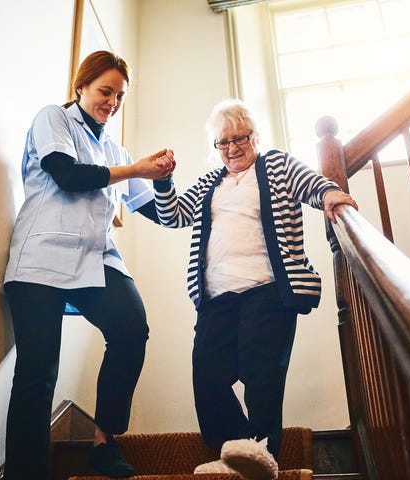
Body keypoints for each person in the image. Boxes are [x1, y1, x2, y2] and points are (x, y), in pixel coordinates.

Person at [152, 98, 358, 480]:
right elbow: (172, 215)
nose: (231, 147)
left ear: (255, 136)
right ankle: (235, 452)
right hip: (216, 297)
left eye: (239, 138)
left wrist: (330, 195)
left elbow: (310, 182)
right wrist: (163, 180)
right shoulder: (210, 183)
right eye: (223, 142)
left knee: (259, 369)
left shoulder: (276, 164)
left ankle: (262, 451)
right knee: (207, 374)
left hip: (267, 290)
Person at [2, 50, 174, 480]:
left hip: (97, 257)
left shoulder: (115, 147)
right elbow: (67, 174)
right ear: (81, 87)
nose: (112, 102)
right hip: (40, 259)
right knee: (38, 372)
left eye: (119, 95)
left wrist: (165, 176)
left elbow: (155, 210)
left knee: (132, 329)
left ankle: (104, 442)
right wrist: (136, 168)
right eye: (104, 91)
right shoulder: (53, 119)